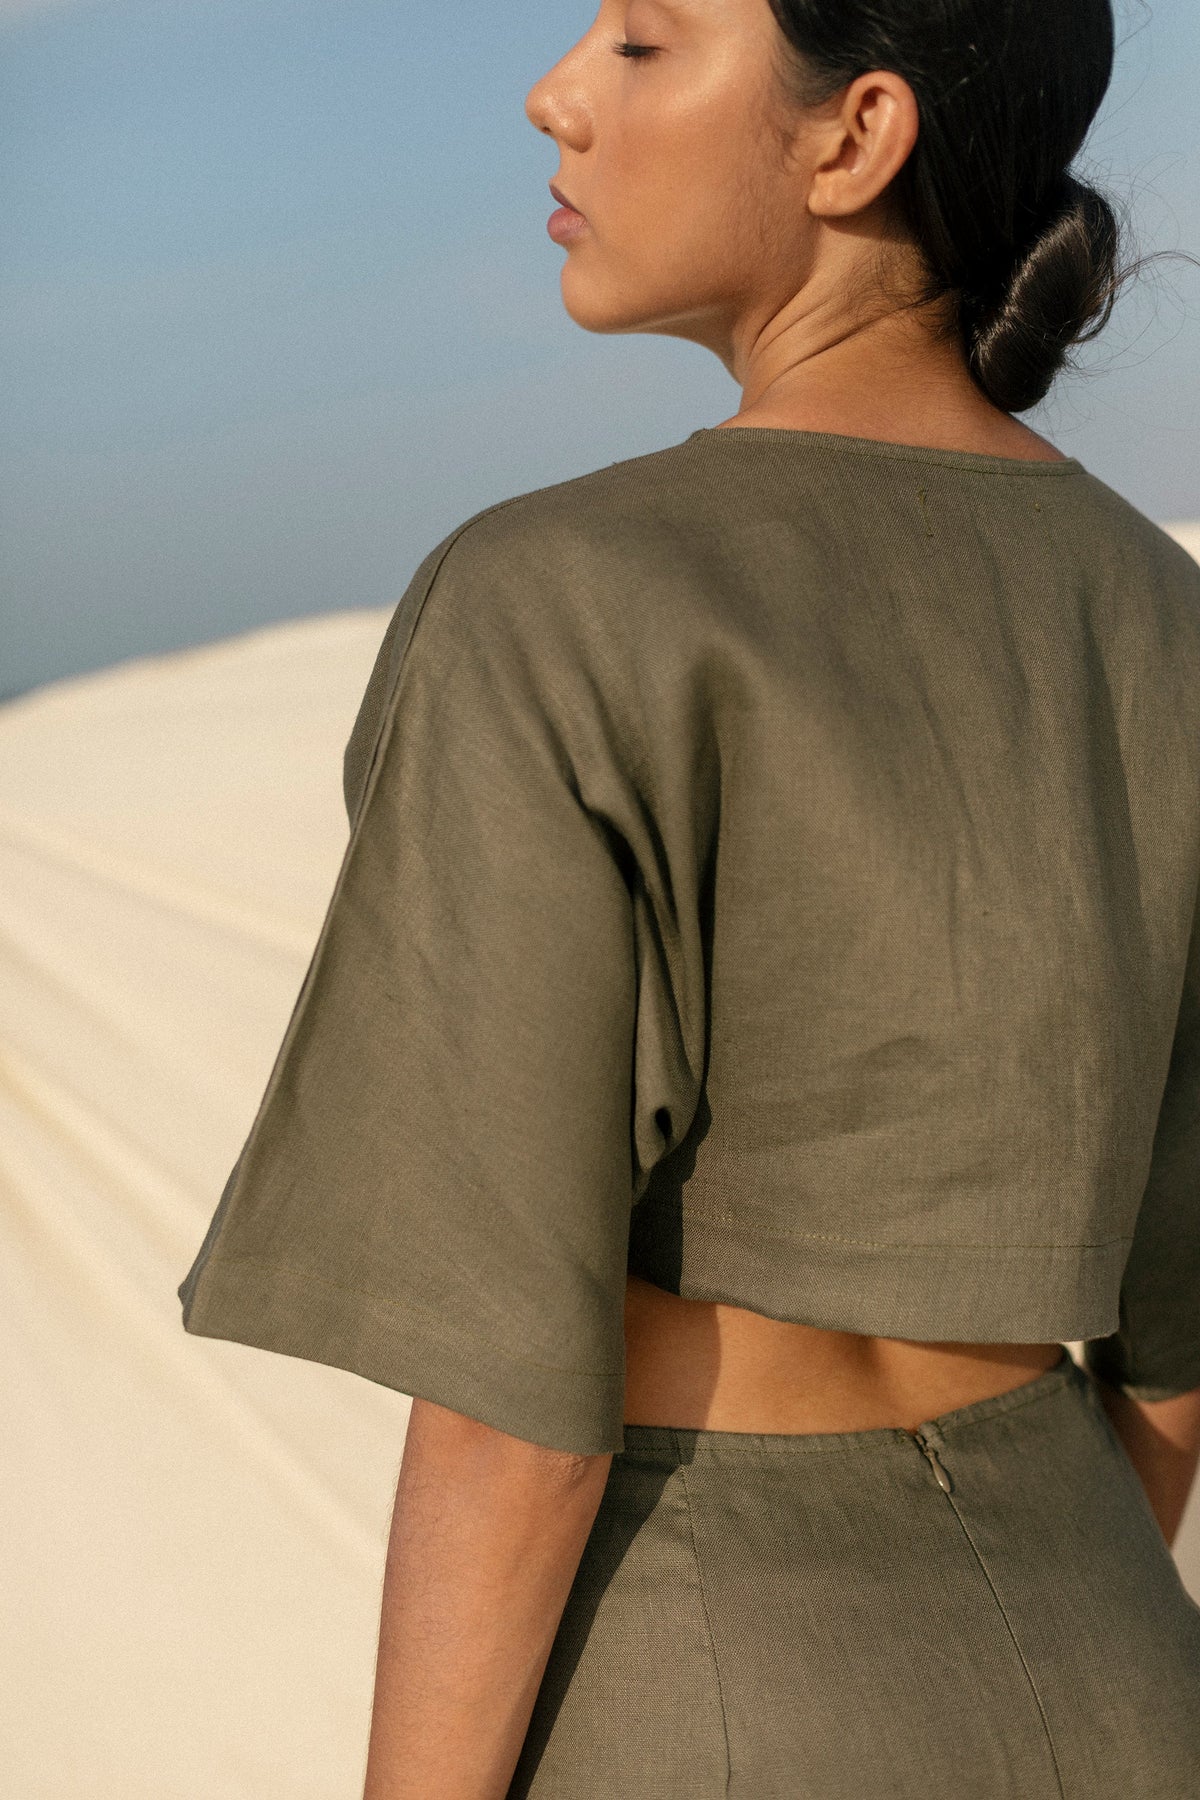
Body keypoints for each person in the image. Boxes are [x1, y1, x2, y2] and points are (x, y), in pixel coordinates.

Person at [177, 0, 1200, 1792]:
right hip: (1111, 1641)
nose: (554, 93)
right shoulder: (1161, 614)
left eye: (644, 42)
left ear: (854, 136)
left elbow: (510, 1414)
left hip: (714, 1665)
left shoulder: (556, 598)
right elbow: (1181, 1342)